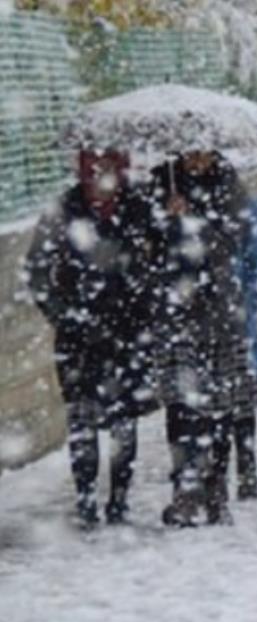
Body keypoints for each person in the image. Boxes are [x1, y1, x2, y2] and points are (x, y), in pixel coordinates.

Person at [23, 148, 159, 528]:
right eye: (92, 171)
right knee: (81, 419)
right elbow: (36, 271)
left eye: (107, 171)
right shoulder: (63, 209)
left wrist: (143, 296)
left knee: (124, 419)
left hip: (127, 333)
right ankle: (85, 498)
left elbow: (162, 259)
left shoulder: (138, 206)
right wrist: (65, 315)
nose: (100, 179)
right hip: (78, 337)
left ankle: (119, 498)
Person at [149, 149, 256, 527]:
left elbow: (235, 239)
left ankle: (216, 491)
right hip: (176, 313)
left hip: (219, 314)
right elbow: (144, 244)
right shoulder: (161, 182)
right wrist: (165, 218)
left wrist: (192, 215)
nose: (197, 159)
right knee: (180, 406)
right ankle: (184, 491)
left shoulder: (229, 184)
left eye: (203, 152)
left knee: (219, 406)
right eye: (190, 152)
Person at [207, 195, 257, 504]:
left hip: (235, 316)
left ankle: (246, 467)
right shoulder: (178, 199)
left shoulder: (242, 206)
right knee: (215, 400)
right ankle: (219, 474)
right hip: (202, 318)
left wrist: (244, 305)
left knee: (241, 394)